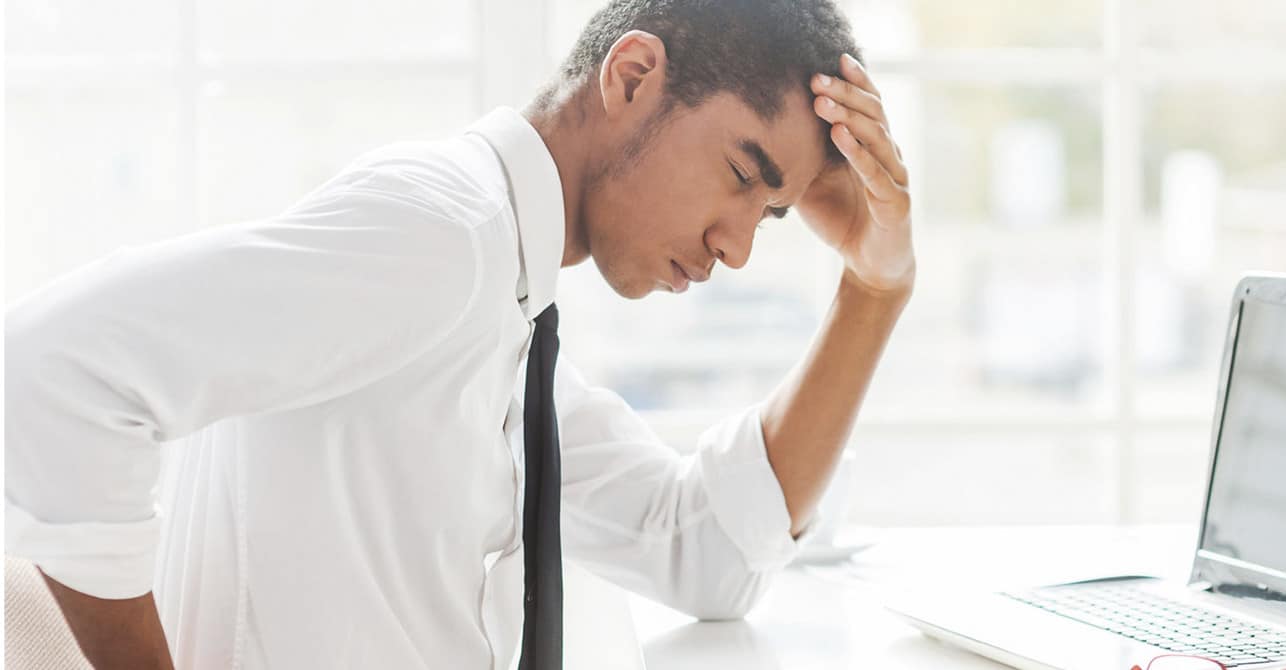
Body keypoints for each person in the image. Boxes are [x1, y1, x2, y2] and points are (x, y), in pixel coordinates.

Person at [4, 0, 914, 667]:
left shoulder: (502, 312)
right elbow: (45, 371)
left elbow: (703, 550)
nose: (737, 247)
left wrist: (875, 287)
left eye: (772, 214)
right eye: (740, 176)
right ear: (632, 77)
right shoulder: (443, 238)